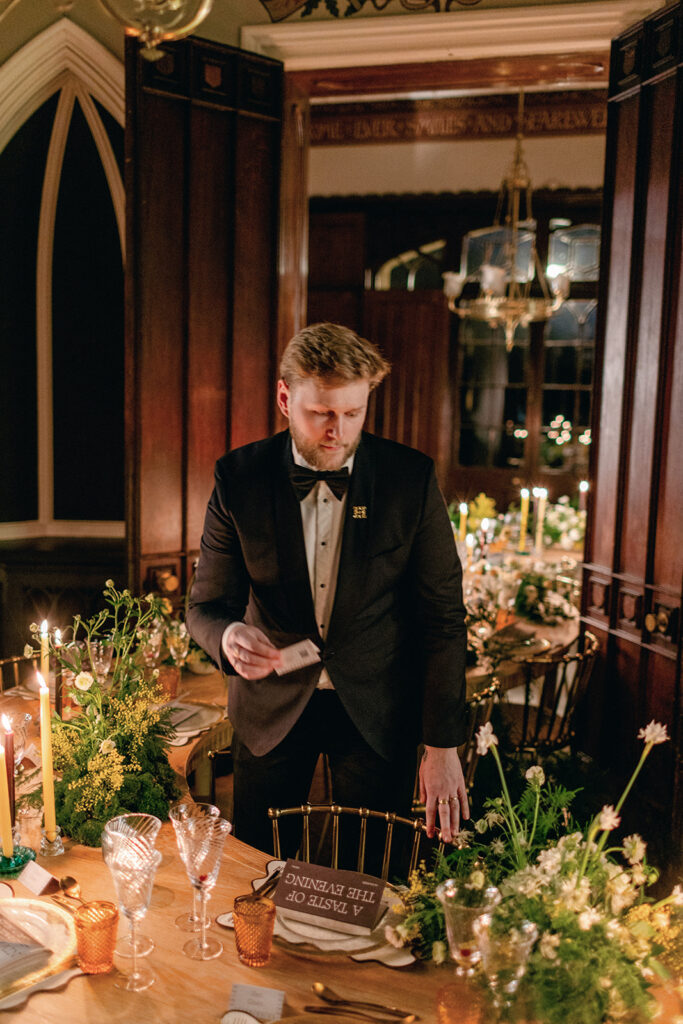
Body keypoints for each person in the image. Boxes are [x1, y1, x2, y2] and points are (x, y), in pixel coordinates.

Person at [187, 323, 469, 858]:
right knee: (258, 879)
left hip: (377, 709)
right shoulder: (239, 478)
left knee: (372, 877)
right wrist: (227, 638)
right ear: (284, 398)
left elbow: (443, 619)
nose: (337, 430)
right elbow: (205, 606)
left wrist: (442, 745)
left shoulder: (409, 480)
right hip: (269, 709)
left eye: (353, 413)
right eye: (320, 413)